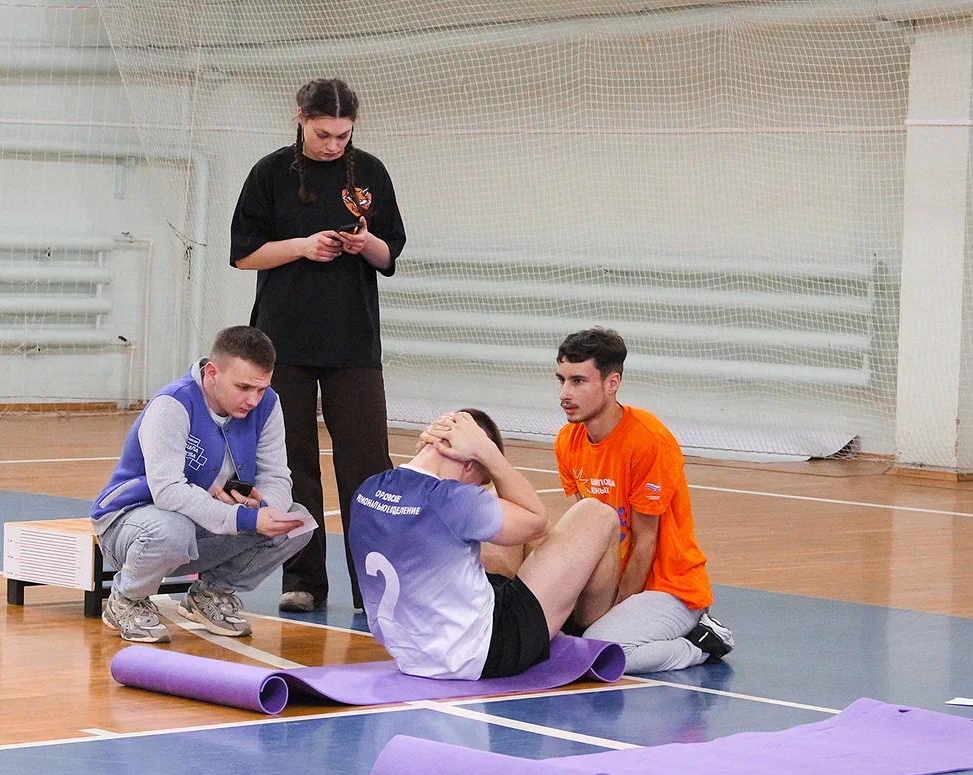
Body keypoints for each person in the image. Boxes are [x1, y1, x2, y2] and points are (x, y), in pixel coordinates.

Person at [230, 77, 407, 614]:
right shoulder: (269, 173)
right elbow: (244, 254)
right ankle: (302, 579)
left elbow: (390, 253)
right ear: (300, 119)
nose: (333, 145)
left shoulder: (370, 171)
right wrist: (303, 247)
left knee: (367, 466)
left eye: (343, 135)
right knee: (293, 463)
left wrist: (365, 243)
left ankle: (373, 584)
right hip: (284, 343)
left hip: (354, 343)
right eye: (324, 134)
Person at [348, 409, 621, 680]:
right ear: (469, 462)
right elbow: (537, 521)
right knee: (595, 514)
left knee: (494, 513)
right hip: (484, 651)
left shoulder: (368, 489)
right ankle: (586, 638)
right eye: (478, 479)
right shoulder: (453, 500)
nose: (474, 487)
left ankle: (553, 615)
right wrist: (489, 454)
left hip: (411, 654)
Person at [90, 326, 310, 642]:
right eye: (243, 387)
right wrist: (245, 518)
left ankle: (210, 594)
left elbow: (276, 476)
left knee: (297, 522)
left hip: (200, 522)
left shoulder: (268, 405)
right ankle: (127, 599)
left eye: (261, 389)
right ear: (211, 373)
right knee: (172, 529)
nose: (253, 400)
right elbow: (167, 492)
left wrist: (264, 508)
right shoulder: (173, 403)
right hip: (130, 523)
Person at [553, 327, 735, 673]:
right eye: (561, 380)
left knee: (603, 653)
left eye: (578, 381)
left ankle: (699, 644)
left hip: (670, 589)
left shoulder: (649, 440)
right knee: (551, 640)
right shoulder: (567, 441)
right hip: (612, 581)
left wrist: (617, 610)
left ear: (612, 383)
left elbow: (644, 541)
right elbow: (587, 531)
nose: (565, 394)